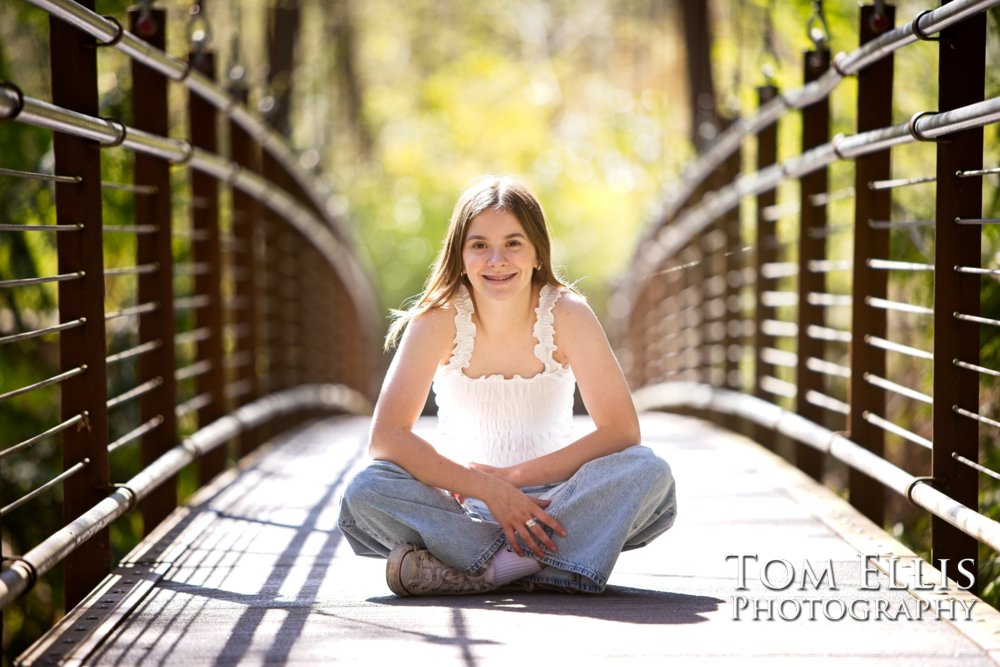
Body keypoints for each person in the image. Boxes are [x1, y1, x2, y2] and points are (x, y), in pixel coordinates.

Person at [338, 175, 676, 595]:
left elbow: (622, 431)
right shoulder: (437, 319)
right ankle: (540, 563)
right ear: (460, 256)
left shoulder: (567, 313)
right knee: (366, 490)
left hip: (561, 503)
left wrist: (514, 479)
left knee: (649, 474)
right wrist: (490, 490)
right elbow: (387, 436)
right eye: (479, 245)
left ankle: (483, 570)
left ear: (537, 253)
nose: (496, 259)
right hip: (464, 507)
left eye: (513, 243)